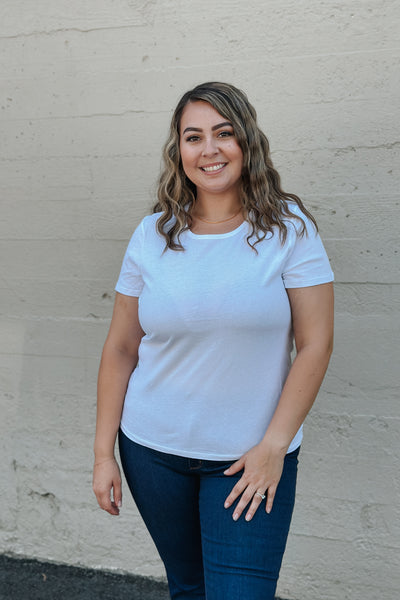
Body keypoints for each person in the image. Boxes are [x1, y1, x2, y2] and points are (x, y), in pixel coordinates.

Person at [92, 81, 334, 600]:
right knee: (189, 589)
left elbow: (316, 345)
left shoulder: (290, 231)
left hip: (251, 459)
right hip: (152, 452)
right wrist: (103, 453)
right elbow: (121, 349)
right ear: (178, 151)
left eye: (223, 134)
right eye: (193, 136)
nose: (210, 150)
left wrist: (274, 446)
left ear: (246, 140)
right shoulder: (152, 234)